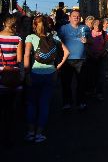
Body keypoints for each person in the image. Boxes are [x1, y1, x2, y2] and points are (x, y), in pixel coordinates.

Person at [24, 15, 70, 143]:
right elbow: (67, 52)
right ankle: (39, 133)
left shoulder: (30, 37)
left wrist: (27, 73)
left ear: (34, 25)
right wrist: (58, 67)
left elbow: (27, 55)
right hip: (50, 73)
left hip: (34, 73)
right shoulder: (54, 37)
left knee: (32, 104)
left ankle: (30, 132)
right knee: (44, 104)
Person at [58, 9, 89, 109]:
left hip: (81, 60)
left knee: (81, 83)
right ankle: (67, 102)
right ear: (69, 18)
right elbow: (58, 42)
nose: (76, 17)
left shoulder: (85, 28)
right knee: (66, 83)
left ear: (80, 18)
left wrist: (87, 40)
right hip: (67, 60)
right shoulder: (63, 28)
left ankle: (81, 102)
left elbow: (90, 41)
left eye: (78, 16)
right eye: (74, 16)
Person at [0, 14, 24, 146]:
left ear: (4, 23)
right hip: (11, 77)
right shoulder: (17, 39)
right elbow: (19, 60)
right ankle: (7, 137)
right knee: (9, 109)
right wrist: (22, 76)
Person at [86, 17, 108, 101]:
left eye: (99, 24)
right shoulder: (89, 33)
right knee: (91, 75)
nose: (98, 26)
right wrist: (91, 54)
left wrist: (101, 53)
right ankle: (91, 90)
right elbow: (86, 45)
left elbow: (105, 45)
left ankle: (99, 92)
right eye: (96, 24)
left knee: (100, 75)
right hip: (91, 57)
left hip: (101, 57)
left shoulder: (103, 33)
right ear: (93, 25)